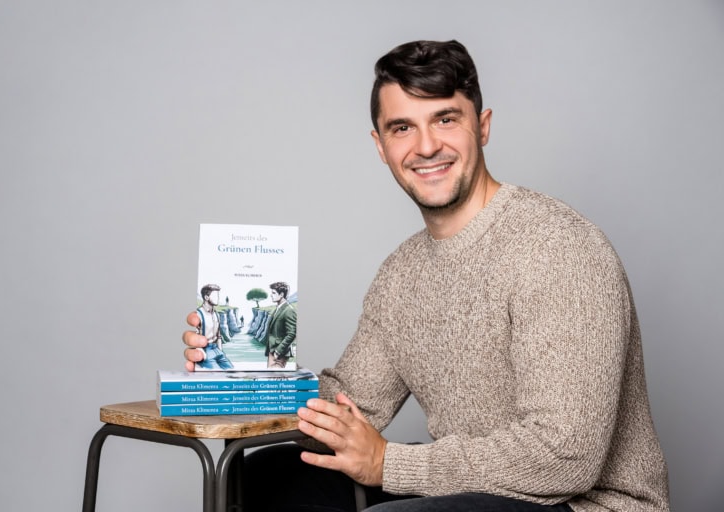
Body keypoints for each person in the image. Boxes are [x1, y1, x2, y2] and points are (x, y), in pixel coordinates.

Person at [183, 40, 670, 511]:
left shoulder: (559, 248)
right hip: (470, 492)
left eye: (445, 119)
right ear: (380, 145)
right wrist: (236, 372)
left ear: (482, 126)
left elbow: (566, 458)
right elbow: (350, 407)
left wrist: (388, 463)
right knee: (264, 477)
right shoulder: (401, 274)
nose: (426, 146)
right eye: (402, 128)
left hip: (587, 505)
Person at [194, 283, 234, 370]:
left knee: (232, 371)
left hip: (217, 349)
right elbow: (194, 337)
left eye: (218, 296)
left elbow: (219, 336)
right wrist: (201, 353)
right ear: (206, 297)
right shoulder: (198, 314)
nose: (218, 299)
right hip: (205, 350)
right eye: (215, 296)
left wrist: (220, 351)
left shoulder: (216, 314)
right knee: (217, 376)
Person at [264, 281, 297, 368]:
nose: (271, 295)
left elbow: (292, 333)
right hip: (272, 351)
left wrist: (278, 351)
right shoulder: (277, 309)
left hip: (280, 353)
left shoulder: (289, 310)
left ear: (281, 294)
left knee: (275, 378)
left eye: (274, 293)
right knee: (270, 378)